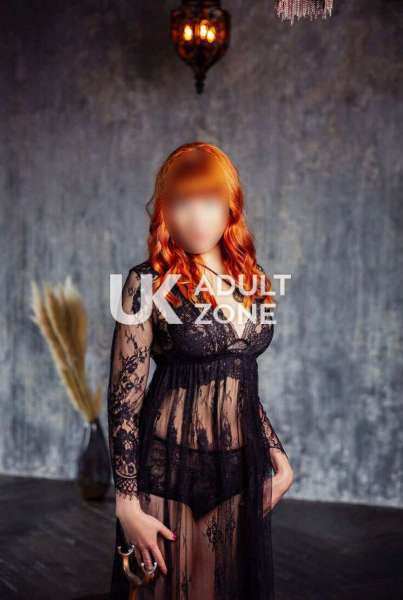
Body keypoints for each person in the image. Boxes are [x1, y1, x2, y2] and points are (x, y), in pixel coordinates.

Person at [107, 141, 294, 600]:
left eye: (209, 201)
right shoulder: (147, 282)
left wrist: (279, 458)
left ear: (230, 205)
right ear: (165, 211)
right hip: (167, 464)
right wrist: (126, 502)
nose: (196, 217)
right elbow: (124, 399)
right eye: (181, 202)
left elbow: (238, 380)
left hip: (238, 467)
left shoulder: (253, 279)